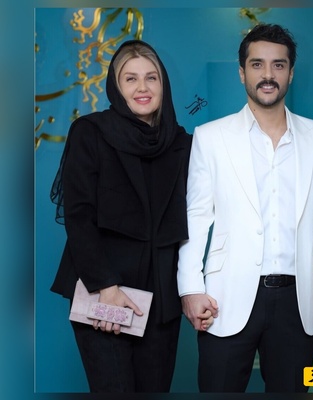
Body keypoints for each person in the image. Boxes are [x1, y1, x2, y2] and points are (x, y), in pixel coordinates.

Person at [177, 23, 313, 393]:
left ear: (291, 73)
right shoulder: (210, 137)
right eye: (257, 64)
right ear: (242, 73)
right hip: (224, 298)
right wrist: (190, 288)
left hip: (297, 300)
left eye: (278, 65)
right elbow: (195, 216)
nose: (268, 75)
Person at [50, 40, 209, 393]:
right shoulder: (90, 132)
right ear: (116, 86)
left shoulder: (182, 144)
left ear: (163, 85)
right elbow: (78, 216)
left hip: (161, 300)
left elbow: (198, 217)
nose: (142, 87)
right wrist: (106, 289)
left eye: (151, 77)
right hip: (103, 289)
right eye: (130, 78)